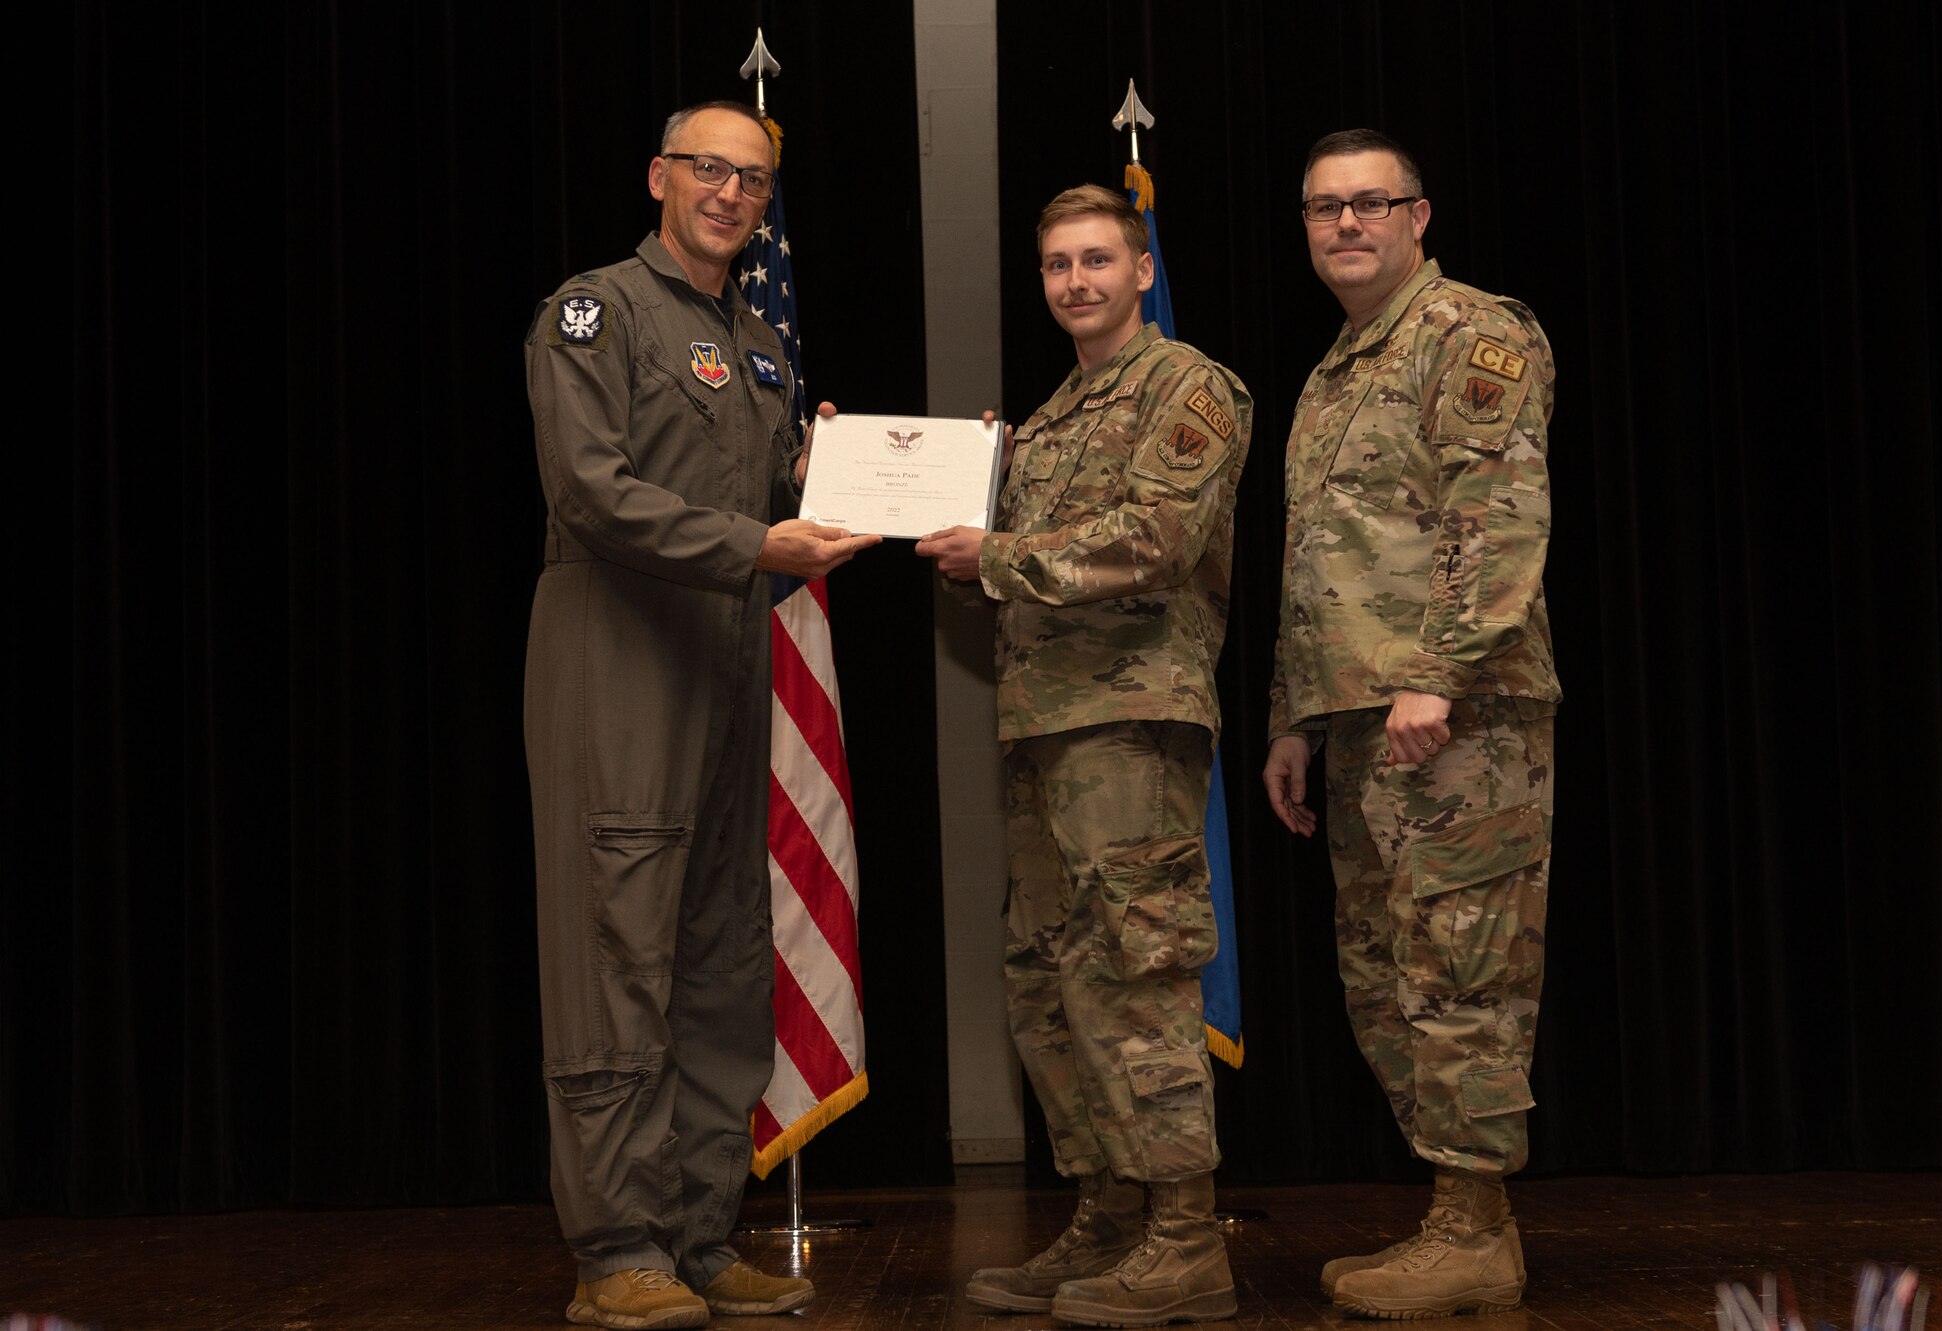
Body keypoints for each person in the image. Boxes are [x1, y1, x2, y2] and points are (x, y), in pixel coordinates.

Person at [522, 100, 877, 1330]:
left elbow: (779, 493)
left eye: (754, 180)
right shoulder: (595, 312)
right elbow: (591, 488)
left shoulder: (760, 345)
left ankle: (695, 1229)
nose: (731, 193)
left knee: (723, 952)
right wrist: (758, 535)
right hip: (617, 658)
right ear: (659, 176)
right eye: (709, 170)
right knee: (618, 951)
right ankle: (615, 1247)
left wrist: (855, 467)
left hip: (729, 661)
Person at [917, 184, 1251, 1328]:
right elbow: (1008, 576)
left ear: (1140, 268)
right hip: (1040, 721)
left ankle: (1183, 1233)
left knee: (1137, 967)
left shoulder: (1186, 386)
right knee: (1048, 977)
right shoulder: (1046, 418)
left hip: (1128, 723)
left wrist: (995, 553)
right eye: (1057, 265)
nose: (1075, 282)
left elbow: (1158, 538)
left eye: (1096, 260)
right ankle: (1108, 1212)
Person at [1261, 128, 1560, 1320]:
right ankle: (1457, 1213)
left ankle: (1474, 1229)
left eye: (1368, 204)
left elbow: (1494, 513)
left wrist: (1436, 673)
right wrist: (1293, 715)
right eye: (1323, 207)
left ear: (1417, 217)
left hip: (1458, 714)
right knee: (1384, 975)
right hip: (1357, 722)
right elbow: (1314, 568)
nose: (1345, 224)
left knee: (1460, 966)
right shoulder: (1334, 369)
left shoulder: (1470, 333)